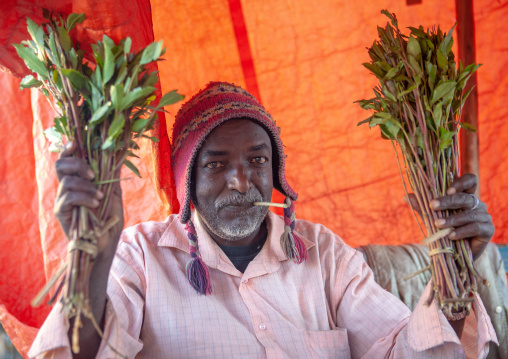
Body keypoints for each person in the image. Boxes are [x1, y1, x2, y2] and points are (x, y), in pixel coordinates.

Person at [29, 82, 497, 358]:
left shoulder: (323, 252)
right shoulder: (138, 256)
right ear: (186, 180)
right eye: (215, 164)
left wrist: (454, 267)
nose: (241, 181)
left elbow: (401, 350)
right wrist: (93, 255)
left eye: (257, 160)